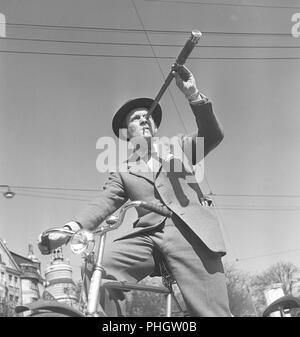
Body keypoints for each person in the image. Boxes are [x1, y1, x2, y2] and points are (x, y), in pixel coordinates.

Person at [38, 65, 231, 317]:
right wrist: (69, 229)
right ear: (126, 134)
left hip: (192, 234)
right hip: (148, 239)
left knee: (212, 314)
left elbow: (212, 134)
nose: (143, 119)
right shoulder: (123, 171)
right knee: (97, 266)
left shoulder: (179, 146)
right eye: (135, 118)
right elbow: (105, 201)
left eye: (147, 116)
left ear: (155, 126)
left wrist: (193, 95)